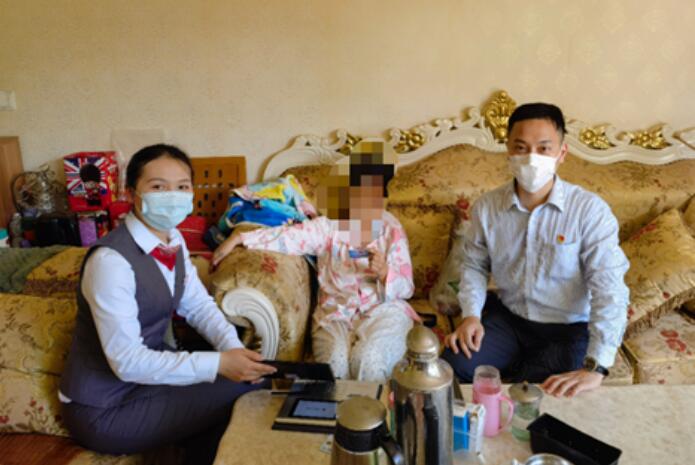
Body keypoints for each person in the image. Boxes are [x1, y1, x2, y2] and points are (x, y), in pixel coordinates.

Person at [59, 144, 276, 465]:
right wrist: (218, 364)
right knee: (247, 389)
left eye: (182, 187)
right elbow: (127, 363)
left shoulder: (173, 240)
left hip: (145, 383)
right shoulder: (110, 262)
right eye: (158, 187)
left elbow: (198, 306)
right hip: (103, 407)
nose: (172, 196)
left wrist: (234, 350)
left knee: (245, 379)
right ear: (131, 194)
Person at [441, 103, 630, 398]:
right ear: (508, 151)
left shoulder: (590, 212)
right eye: (521, 147)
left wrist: (596, 367)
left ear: (562, 153)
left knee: (535, 394)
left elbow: (610, 290)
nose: (532, 158)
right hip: (509, 319)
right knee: (451, 368)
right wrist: (471, 316)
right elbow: (475, 265)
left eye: (543, 148)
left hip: (568, 328)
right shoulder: (488, 208)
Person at [212, 140, 417, 382]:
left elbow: (406, 288)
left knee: (369, 358)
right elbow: (288, 237)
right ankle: (336, 407)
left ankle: (376, 406)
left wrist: (385, 272)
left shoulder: (390, 228)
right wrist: (240, 238)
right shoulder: (328, 228)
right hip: (335, 314)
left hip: (384, 311)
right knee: (335, 365)